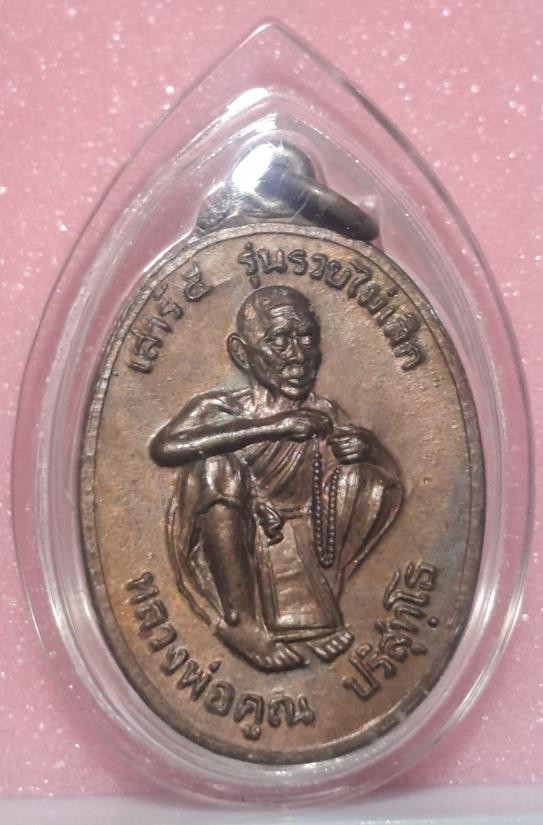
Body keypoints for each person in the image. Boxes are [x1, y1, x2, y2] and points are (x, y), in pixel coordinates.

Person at [150, 285, 402, 672]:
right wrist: (273, 427)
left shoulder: (325, 412)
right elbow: (164, 448)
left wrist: (370, 450)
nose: (297, 355)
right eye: (279, 340)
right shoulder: (220, 407)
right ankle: (240, 621)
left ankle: (316, 606)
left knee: (362, 473)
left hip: (300, 541)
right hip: (231, 534)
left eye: (307, 338)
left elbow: (388, 483)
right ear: (241, 353)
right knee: (214, 467)